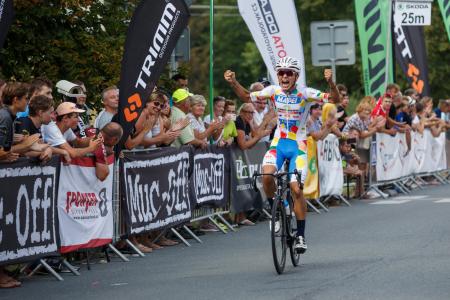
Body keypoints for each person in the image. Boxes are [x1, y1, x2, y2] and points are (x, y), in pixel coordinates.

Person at [244, 56, 340, 253]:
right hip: (279, 143)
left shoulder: (305, 93)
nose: (285, 76)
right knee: (267, 176)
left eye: (289, 73)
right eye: (281, 73)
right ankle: (277, 212)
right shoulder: (272, 91)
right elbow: (247, 97)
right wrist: (233, 82)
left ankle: (301, 236)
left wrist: (331, 83)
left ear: (296, 76)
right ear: (278, 76)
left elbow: (334, 99)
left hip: (299, 145)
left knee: (296, 189)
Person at [0, 82, 37, 162]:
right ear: (16, 100)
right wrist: (26, 145)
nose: (28, 102)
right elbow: (1, 151)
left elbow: (4, 151)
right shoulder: (5, 117)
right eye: (26, 98)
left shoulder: (9, 116)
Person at [14, 95, 54, 161]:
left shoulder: (37, 127)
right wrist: (43, 152)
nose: (53, 116)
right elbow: (22, 152)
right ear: (40, 113)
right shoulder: (24, 123)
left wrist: (48, 149)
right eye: (51, 112)